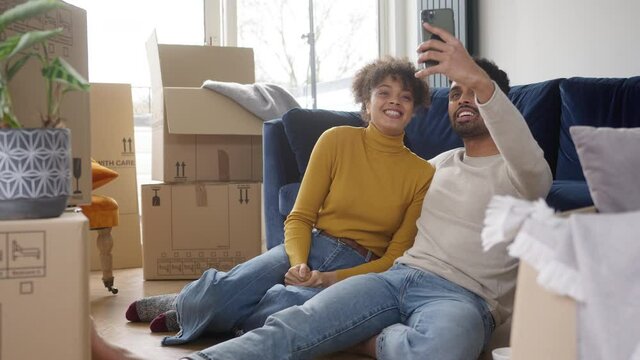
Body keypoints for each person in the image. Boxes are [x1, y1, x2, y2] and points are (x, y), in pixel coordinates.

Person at [177, 21, 553, 360]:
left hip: (461, 297)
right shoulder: (435, 166)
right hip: (392, 279)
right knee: (296, 324)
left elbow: (526, 153)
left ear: (499, 104)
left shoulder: (523, 174)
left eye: (474, 92)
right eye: (455, 94)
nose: (463, 99)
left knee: (445, 349)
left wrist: (479, 80)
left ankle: (364, 339)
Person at [124, 57, 435, 347]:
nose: (395, 101)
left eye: (405, 97)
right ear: (367, 104)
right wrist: (299, 261)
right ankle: (193, 305)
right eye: (384, 92)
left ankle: (203, 314)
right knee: (225, 290)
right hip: (312, 244)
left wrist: (329, 279)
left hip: (360, 266)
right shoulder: (336, 140)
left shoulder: (422, 173)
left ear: (414, 109)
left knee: (285, 307)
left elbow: (395, 258)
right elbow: (300, 216)